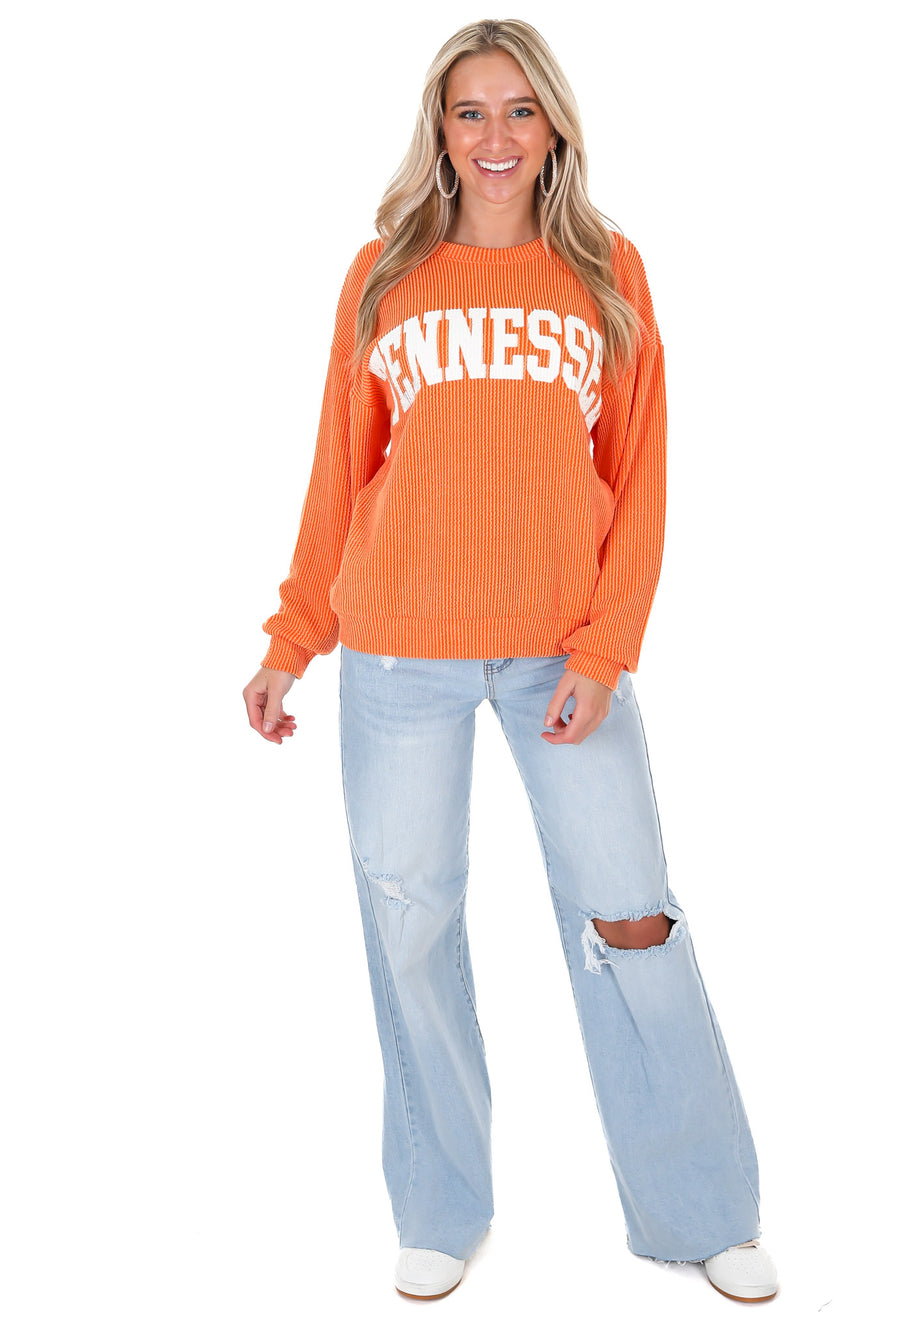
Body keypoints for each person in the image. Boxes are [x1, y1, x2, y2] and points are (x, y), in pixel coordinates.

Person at [242, 17, 778, 1306]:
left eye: (520, 110)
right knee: (409, 920)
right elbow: (340, 470)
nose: (495, 136)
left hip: (559, 658)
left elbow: (639, 475)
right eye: (471, 111)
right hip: (398, 653)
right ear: (440, 130)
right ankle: (439, 1207)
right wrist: (293, 638)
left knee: (632, 916)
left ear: (554, 129)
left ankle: (700, 1208)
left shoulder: (607, 271)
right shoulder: (385, 274)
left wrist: (605, 646)